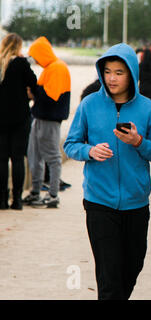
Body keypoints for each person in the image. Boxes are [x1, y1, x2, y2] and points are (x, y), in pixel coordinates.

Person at [64, 43, 151, 300]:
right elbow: (70, 145)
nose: (111, 78)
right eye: (107, 71)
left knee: (132, 268)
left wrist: (138, 142)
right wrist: (89, 151)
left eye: (119, 72)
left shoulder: (147, 108)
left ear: (131, 73)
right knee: (109, 276)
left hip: (136, 203)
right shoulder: (89, 105)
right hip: (99, 203)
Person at [23, 36, 71, 208]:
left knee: (52, 156)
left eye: (35, 56)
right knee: (34, 155)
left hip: (49, 119)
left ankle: (53, 195)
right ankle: (35, 192)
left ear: (42, 53)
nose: (34, 60)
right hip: (39, 117)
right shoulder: (50, 68)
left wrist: (33, 92)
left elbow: (51, 97)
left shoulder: (57, 68)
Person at [0, 33, 37, 210]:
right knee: (17, 159)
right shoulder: (21, 63)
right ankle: (17, 200)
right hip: (20, 117)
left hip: (0, 118)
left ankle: (1, 200)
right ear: (18, 47)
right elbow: (34, 84)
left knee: (1, 160)